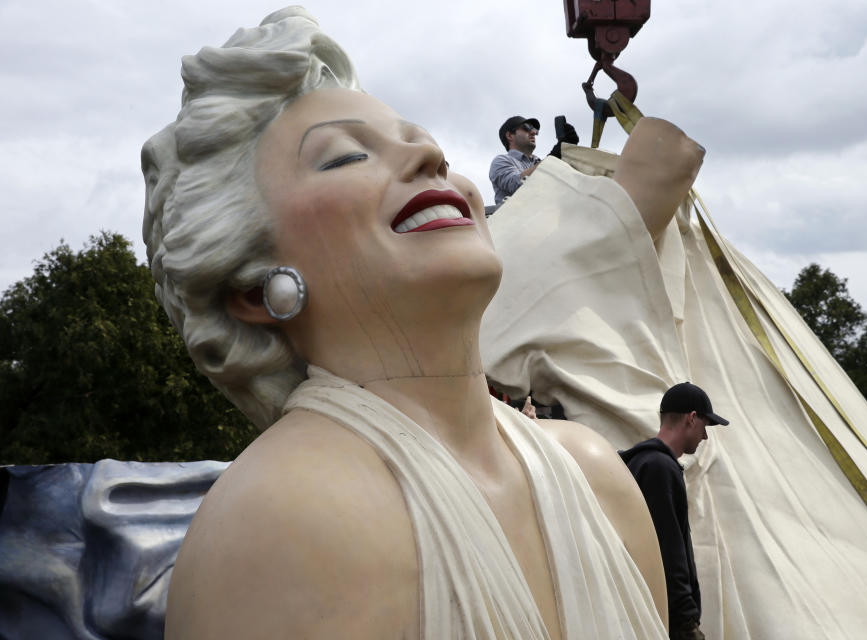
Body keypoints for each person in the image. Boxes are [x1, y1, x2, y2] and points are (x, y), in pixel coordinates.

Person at [143, 7, 706, 639]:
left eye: (419, 136)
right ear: (252, 288)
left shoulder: (595, 473)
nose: (428, 154)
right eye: (344, 157)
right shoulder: (274, 522)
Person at [619, 383, 730, 640]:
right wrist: (686, 619)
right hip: (665, 615)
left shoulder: (640, 461)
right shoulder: (660, 468)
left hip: (644, 609)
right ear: (692, 419)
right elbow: (668, 547)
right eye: (705, 426)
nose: (705, 437)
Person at [489, 115, 541, 205]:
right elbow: (516, 184)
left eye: (535, 130)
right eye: (526, 128)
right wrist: (551, 159)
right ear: (509, 136)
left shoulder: (538, 162)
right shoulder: (500, 161)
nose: (533, 132)